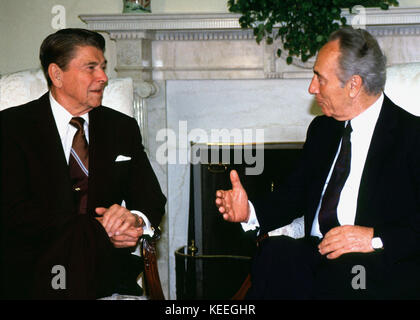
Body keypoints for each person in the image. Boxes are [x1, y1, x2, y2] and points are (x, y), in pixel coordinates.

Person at [215, 27, 420, 299]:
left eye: (320, 79)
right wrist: (249, 212)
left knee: (346, 274)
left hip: (371, 266)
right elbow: (293, 195)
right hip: (316, 255)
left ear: (354, 85)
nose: (312, 88)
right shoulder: (323, 130)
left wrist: (373, 237)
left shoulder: (411, 137)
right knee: (275, 253)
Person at [0, 28, 166, 299]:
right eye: (90, 68)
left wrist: (133, 221)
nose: (103, 77)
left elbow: (151, 198)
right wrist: (99, 229)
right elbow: (13, 212)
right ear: (56, 75)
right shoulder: (12, 127)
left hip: (105, 271)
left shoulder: (121, 128)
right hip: (34, 271)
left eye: (103, 67)